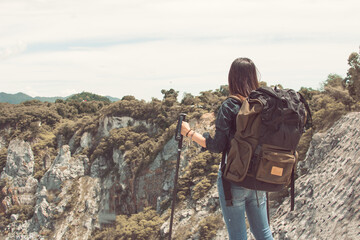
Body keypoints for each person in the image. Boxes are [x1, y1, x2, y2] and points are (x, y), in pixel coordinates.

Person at [180, 57, 273, 240]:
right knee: (263, 233)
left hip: (234, 178)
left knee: (237, 236)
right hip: (257, 176)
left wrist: (189, 132)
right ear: (254, 77)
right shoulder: (263, 104)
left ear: (232, 78)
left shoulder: (230, 105)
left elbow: (216, 146)